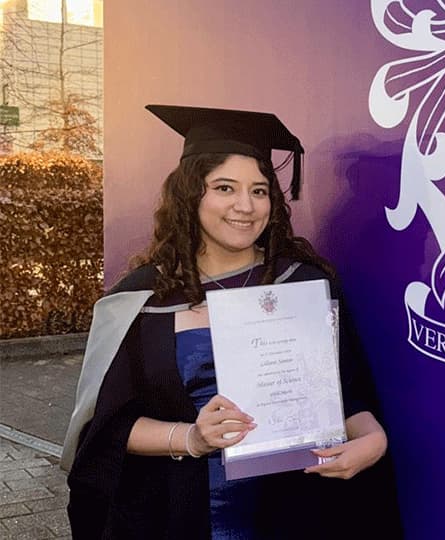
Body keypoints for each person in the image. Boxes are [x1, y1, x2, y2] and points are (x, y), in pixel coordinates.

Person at [61, 105, 401, 539]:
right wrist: (192, 438)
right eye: (225, 187)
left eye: (259, 191)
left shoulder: (304, 284)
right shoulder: (143, 298)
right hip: (181, 512)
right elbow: (108, 428)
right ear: (191, 194)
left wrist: (373, 442)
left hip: (294, 506)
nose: (245, 206)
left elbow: (346, 396)